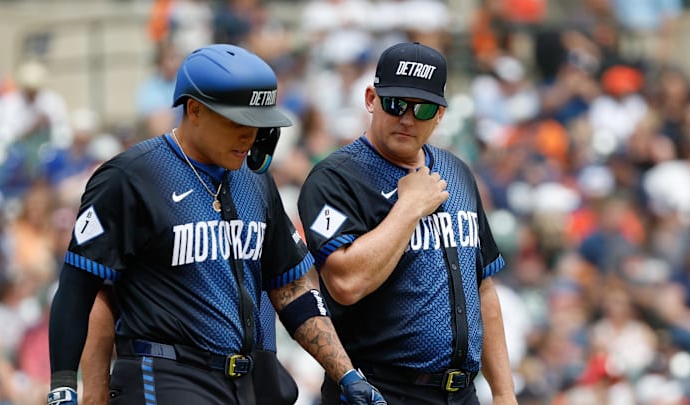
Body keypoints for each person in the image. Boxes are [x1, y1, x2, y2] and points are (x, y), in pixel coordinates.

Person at [46, 43, 387, 405]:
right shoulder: (131, 177)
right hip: (163, 374)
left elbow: (291, 290)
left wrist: (346, 373)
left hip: (245, 379)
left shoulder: (255, 180)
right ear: (194, 110)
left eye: (258, 124)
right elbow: (81, 287)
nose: (250, 136)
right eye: (238, 122)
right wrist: (66, 384)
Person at [297, 41, 518, 404]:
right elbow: (346, 283)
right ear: (371, 99)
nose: (408, 118)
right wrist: (409, 206)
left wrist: (505, 393)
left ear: (440, 115)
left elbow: (483, 287)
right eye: (396, 103)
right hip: (378, 390)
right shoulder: (335, 178)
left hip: (461, 394)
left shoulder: (456, 172)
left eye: (424, 108)